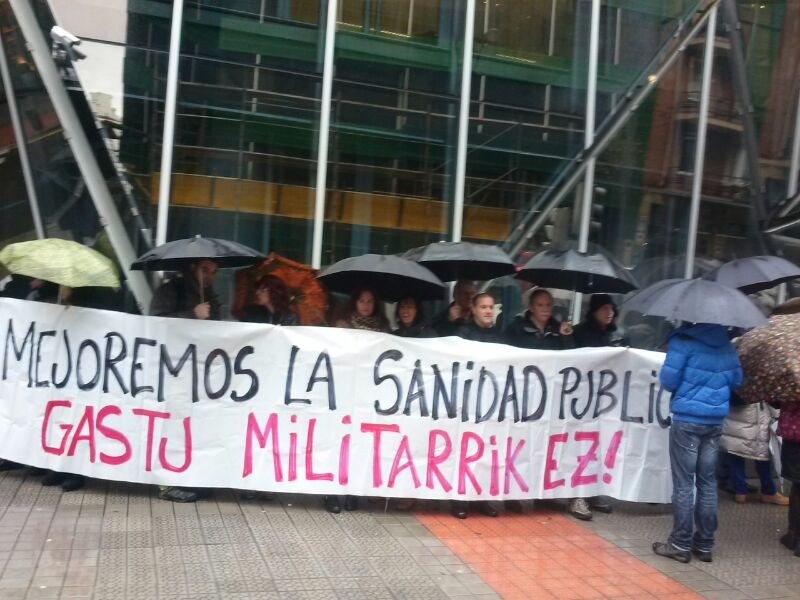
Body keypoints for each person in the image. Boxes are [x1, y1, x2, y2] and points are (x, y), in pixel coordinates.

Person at [653, 322, 743, 564]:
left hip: (687, 420)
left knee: (684, 484)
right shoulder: (726, 344)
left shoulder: (682, 341)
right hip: (715, 422)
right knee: (708, 483)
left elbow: (669, 381)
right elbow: (737, 381)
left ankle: (680, 544)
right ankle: (704, 544)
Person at [150, 258, 221, 502]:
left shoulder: (211, 297)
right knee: (172, 426)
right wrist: (193, 314)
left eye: (214, 271)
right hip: (172, 370)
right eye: (205, 269)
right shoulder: (171, 290)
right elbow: (156, 323)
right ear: (193, 268)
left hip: (199, 373)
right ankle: (167, 485)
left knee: (194, 428)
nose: (210, 275)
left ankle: (191, 478)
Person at [326, 287, 389, 513]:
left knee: (359, 444)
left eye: (370, 301)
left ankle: (352, 491)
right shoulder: (341, 326)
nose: (365, 305)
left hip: (367, 395)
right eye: (361, 300)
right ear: (354, 302)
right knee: (337, 442)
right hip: (341, 393)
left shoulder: (383, 330)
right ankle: (331, 492)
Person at [568, 293, 627, 519]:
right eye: (604, 308)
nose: (609, 312)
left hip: (608, 402)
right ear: (593, 311)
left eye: (612, 308)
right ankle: (578, 495)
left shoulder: (620, 335)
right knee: (580, 446)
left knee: (601, 445)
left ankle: (594, 490)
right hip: (582, 402)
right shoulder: (580, 333)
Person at [451, 292, 502, 519]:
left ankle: (481, 497)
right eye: (483, 307)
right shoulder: (463, 334)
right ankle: (460, 498)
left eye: (491, 307)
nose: (488, 311)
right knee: (464, 450)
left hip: (491, 403)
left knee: (486, 450)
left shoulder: (501, 336)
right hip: (467, 402)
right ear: (473, 309)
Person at [720, 397, 788, 505]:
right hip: (755, 412)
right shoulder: (759, 379)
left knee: (736, 451)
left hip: (734, 412)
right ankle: (768, 491)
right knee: (762, 453)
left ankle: (740, 491)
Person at [505, 288, 574, 350]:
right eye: (540, 305)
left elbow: (571, 356)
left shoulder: (559, 329)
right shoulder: (516, 329)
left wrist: (566, 337)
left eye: (548, 305)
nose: (545, 309)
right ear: (531, 308)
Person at [776, 401, 800, 557]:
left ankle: (794, 535)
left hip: (794, 435)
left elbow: (776, 401)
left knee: (797, 487)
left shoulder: (791, 378)